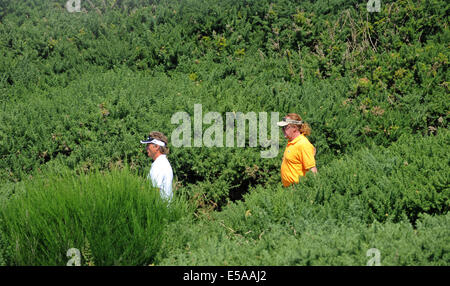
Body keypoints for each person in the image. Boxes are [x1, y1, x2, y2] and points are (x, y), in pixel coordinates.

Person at [277, 113, 317, 187]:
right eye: (282, 127)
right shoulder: (292, 142)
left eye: (285, 127)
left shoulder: (303, 144)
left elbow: (312, 170)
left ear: (294, 128)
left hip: (298, 189)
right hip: (290, 190)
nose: (282, 130)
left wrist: (313, 190)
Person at [140, 131, 173, 202]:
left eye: (148, 145)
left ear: (157, 147)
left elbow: (154, 191)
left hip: (159, 210)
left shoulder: (159, 165)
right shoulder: (162, 162)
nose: (146, 148)